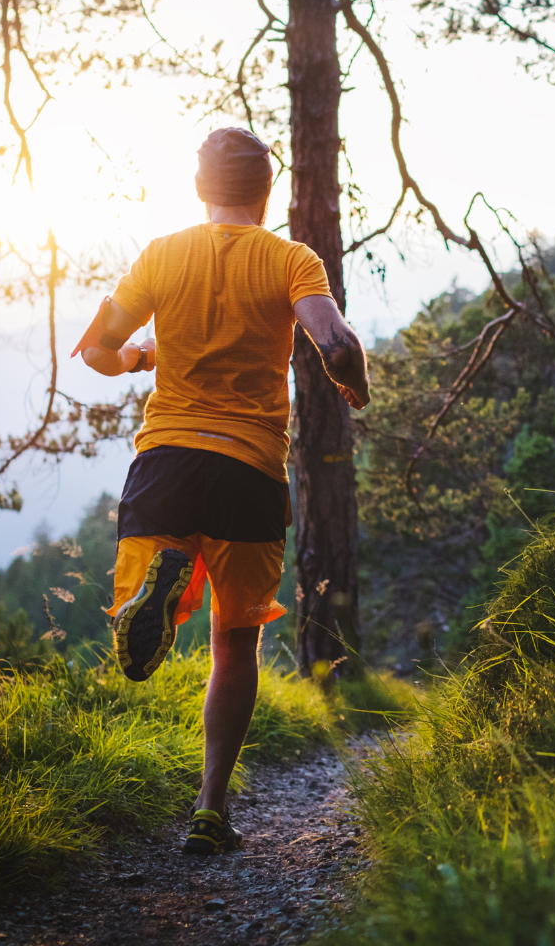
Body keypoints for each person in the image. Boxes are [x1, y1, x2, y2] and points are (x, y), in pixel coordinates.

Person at [78, 126, 370, 857]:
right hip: (248, 469)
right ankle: (210, 808)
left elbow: (95, 349)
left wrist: (143, 354)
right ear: (264, 191)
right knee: (235, 644)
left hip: (168, 457)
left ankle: (151, 602)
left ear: (203, 189)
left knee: (153, 573)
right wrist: (352, 381)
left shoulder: (162, 253)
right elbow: (334, 342)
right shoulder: (289, 259)